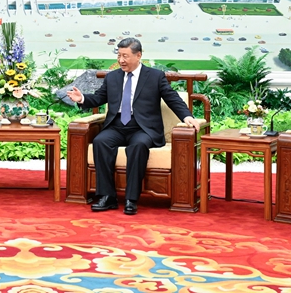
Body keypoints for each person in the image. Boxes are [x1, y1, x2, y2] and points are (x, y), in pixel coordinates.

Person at [67, 38, 202, 215]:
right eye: (119, 55)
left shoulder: (154, 76)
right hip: (116, 126)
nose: (121, 60)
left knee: (138, 145)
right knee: (100, 141)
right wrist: (82, 99)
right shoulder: (112, 77)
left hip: (142, 128)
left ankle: (131, 199)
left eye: (125, 56)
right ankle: (107, 197)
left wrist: (187, 116)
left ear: (138, 55)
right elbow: (99, 98)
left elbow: (172, 98)